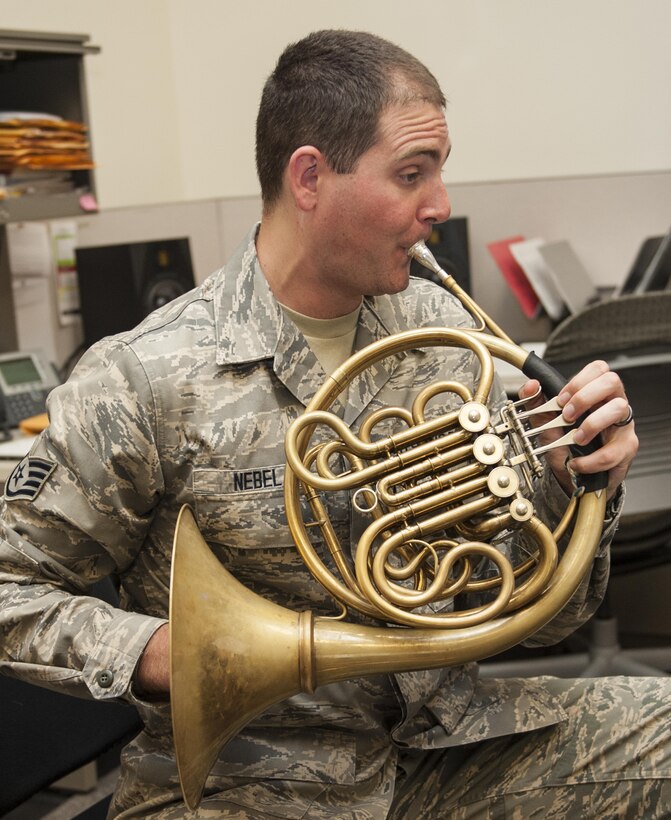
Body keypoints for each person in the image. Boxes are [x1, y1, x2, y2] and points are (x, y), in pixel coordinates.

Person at [0, 29, 668, 819]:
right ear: (310, 177)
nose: (440, 206)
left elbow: (538, 617)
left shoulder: (444, 334)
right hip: (251, 780)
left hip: (439, 748)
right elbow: (12, 589)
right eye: (411, 174)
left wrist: (572, 482)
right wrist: (155, 654)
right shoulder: (142, 376)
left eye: (439, 171)